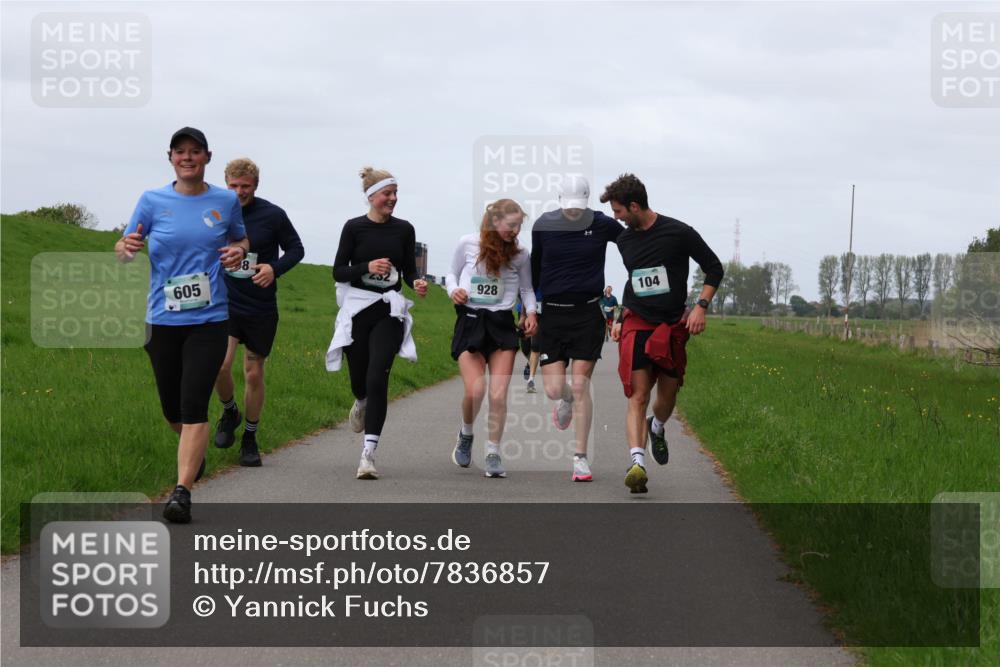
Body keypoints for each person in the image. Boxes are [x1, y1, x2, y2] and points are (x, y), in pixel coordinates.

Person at [115, 127, 249, 523]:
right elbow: (124, 248)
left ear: (207, 157)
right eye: (180, 152)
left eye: (195, 152)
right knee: (172, 410)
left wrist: (236, 252)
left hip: (209, 319)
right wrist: (127, 248)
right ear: (170, 157)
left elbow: (241, 241)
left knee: (194, 405)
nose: (187, 157)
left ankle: (182, 492)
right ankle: (195, 451)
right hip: (161, 318)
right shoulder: (152, 200)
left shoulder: (225, 201)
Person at [602, 173, 724, 494]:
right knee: (638, 396)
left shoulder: (679, 232)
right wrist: (619, 316)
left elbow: (714, 267)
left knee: (666, 397)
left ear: (633, 205)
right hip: (638, 323)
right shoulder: (625, 240)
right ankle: (637, 464)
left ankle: (657, 428)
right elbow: (635, 280)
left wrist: (701, 306)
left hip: (672, 326)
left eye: (618, 211)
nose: (616, 218)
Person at [327, 167, 428, 480]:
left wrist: (417, 282)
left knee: (377, 375)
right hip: (358, 309)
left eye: (395, 193)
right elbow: (338, 272)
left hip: (388, 311)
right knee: (360, 379)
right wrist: (366, 266)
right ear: (371, 196)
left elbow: (409, 271)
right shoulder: (354, 228)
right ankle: (360, 402)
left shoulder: (404, 229)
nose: (393, 199)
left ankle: (368, 455)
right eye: (387, 193)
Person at [531, 175, 624, 481]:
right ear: (560, 201)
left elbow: (630, 242)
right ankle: (565, 399)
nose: (573, 213)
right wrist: (531, 308)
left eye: (578, 208)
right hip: (554, 316)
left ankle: (580, 459)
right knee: (554, 389)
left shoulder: (601, 224)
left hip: (587, 314)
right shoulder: (543, 225)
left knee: (581, 384)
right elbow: (534, 269)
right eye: (569, 208)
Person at [213, 158, 304, 467]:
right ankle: (229, 412)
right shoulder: (215, 212)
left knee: (253, 372)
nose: (239, 192)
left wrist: (273, 269)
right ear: (225, 183)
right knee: (219, 366)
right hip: (225, 303)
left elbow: (296, 249)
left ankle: (250, 438)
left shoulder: (272, 215)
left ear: (256, 185)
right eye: (233, 186)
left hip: (261, 306)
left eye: (245, 186)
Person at [446, 199, 537, 478]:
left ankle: (493, 452)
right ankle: (466, 432)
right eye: (511, 226)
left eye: (519, 226)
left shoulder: (520, 254)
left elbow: (527, 289)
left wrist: (532, 314)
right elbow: (451, 273)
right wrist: (453, 290)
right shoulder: (467, 243)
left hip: (501, 325)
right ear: (495, 221)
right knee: (475, 390)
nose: (515, 231)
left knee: (498, 394)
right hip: (471, 321)